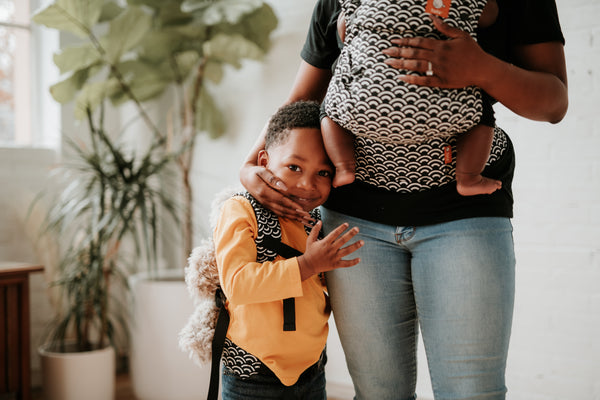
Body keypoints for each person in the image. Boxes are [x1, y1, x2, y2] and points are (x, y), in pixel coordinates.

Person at [240, 0, 568, 398]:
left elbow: (554, 103)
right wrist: (248, 166)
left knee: (472, 393)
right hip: (355, 218)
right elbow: (303, 98)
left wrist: (483, 68)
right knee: (379, 393)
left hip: (464, 214)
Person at [214, 100, 364, 399]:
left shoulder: (317, 221)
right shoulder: (240, 210)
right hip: (253, 375)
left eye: (323, 173)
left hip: (311, 371)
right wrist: (307, 264)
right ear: (264, 161)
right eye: (294, 167)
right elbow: (238, 285)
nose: (307, 184)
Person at [322, 3, 502, 196]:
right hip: (443, 104)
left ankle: (344, 166)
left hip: (364, 101)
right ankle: (468, 177)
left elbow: (343, 29)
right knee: (481, 111)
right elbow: (489, 15)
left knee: (329, 108)